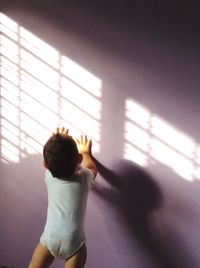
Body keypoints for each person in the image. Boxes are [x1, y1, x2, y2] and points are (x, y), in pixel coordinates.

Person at [28, 127, 97, 268]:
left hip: (49, 240)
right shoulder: (83, 178)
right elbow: (92, 168)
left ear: (45, 165)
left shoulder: (48, 177)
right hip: (74, 245)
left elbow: (53, 160)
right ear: (79, 159)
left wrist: (56, 141)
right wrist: (85, 152)